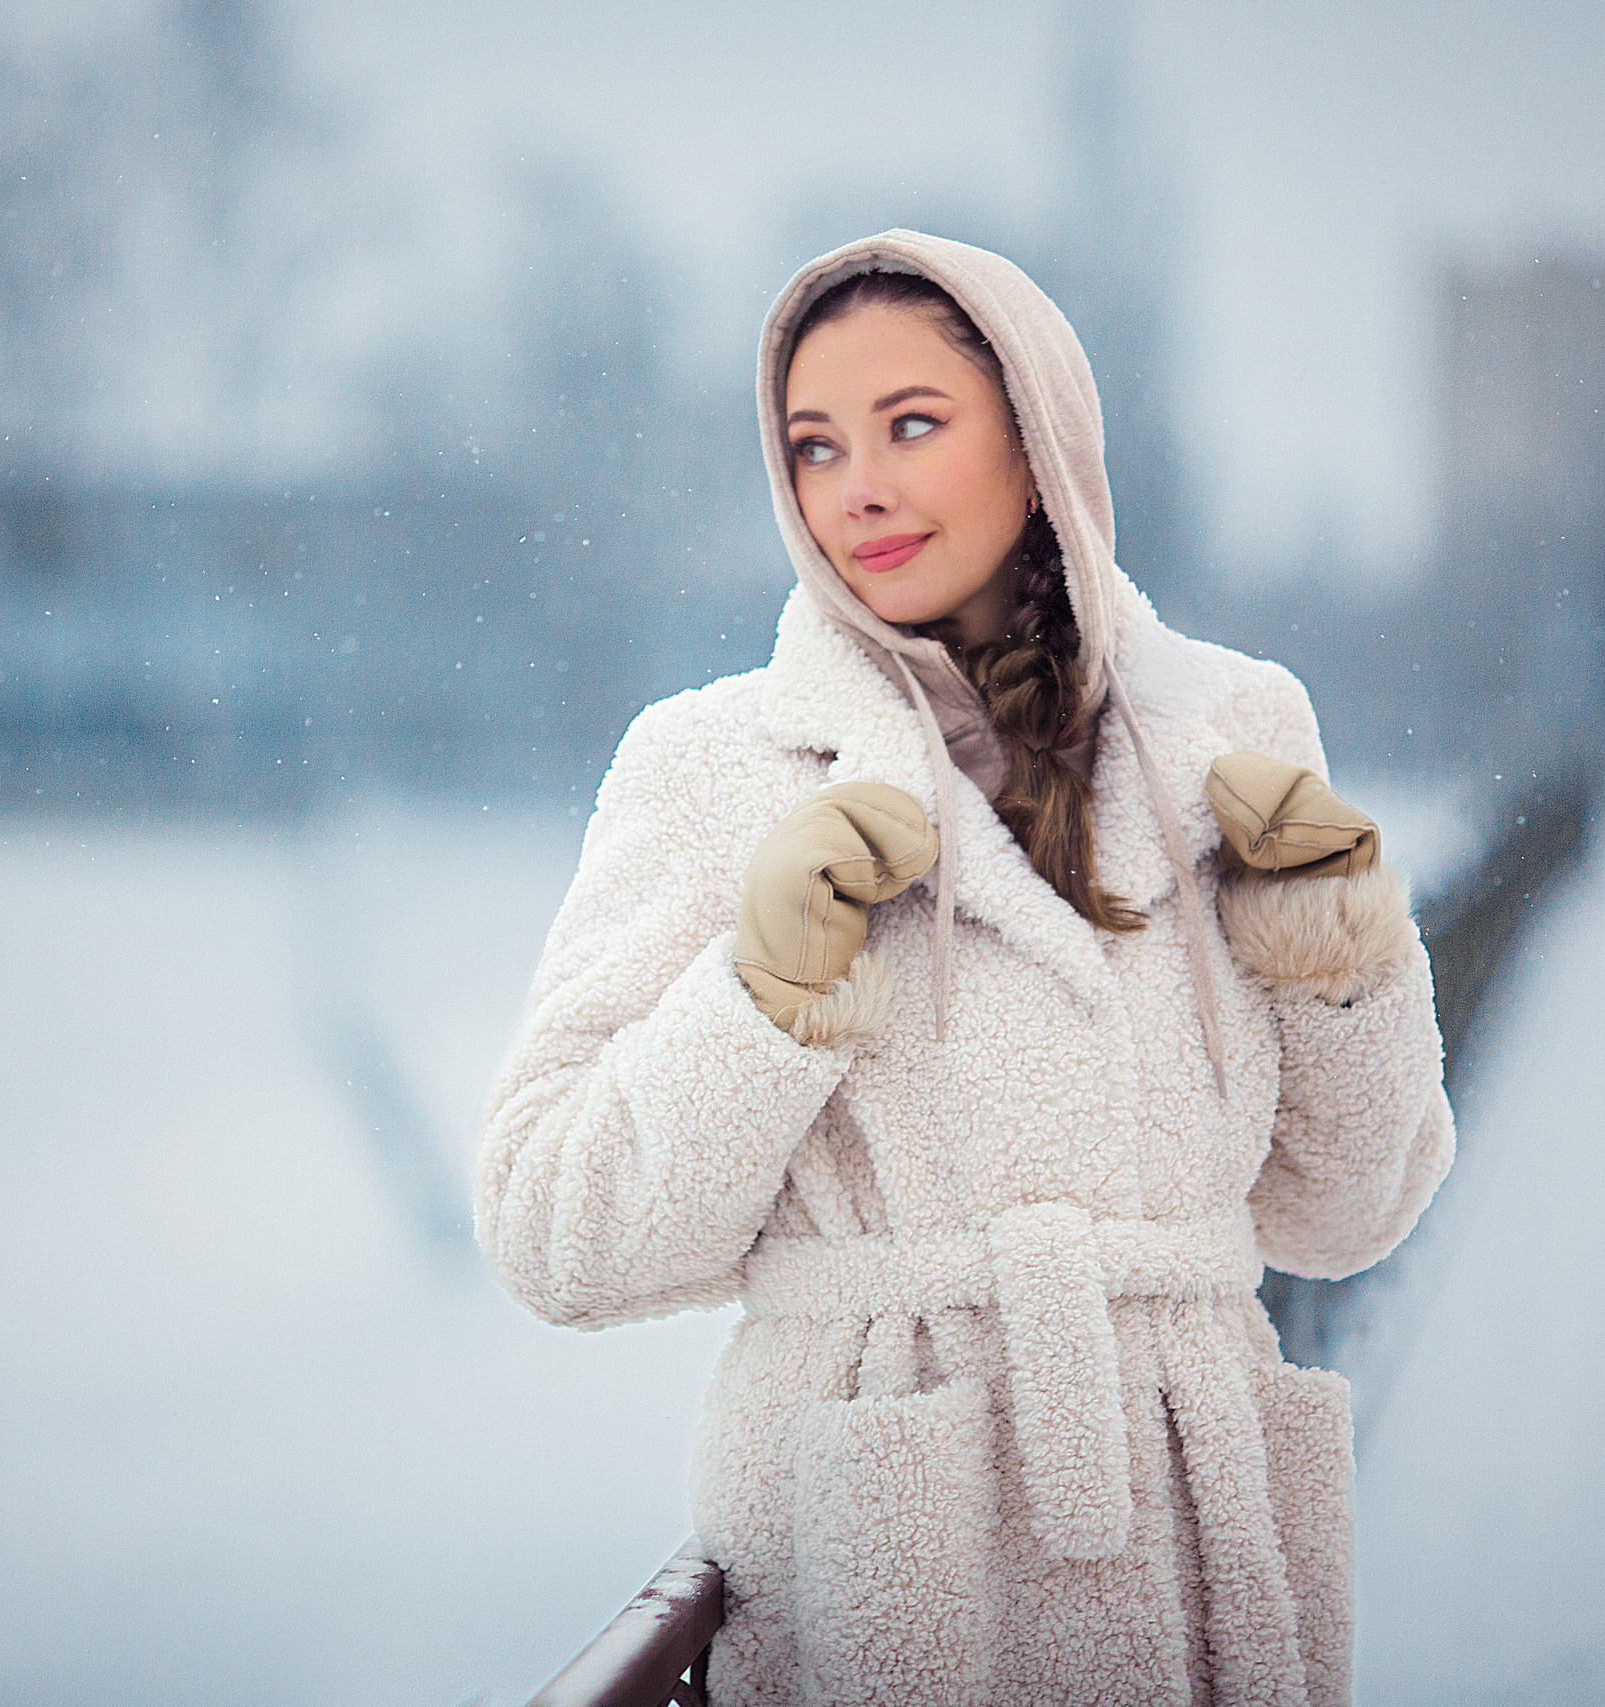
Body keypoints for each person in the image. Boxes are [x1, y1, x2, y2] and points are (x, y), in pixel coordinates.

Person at [476, 230, 1453, 1707]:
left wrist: (1337, 957)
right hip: (893, 1540)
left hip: (1196, 1539)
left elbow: (1349, 1214)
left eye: (912, 425)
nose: (856, 487)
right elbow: (556, 1235)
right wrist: (764, 994)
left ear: (1035, 439)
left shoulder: (1232, 730)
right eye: (815, 446)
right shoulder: (716, 767)